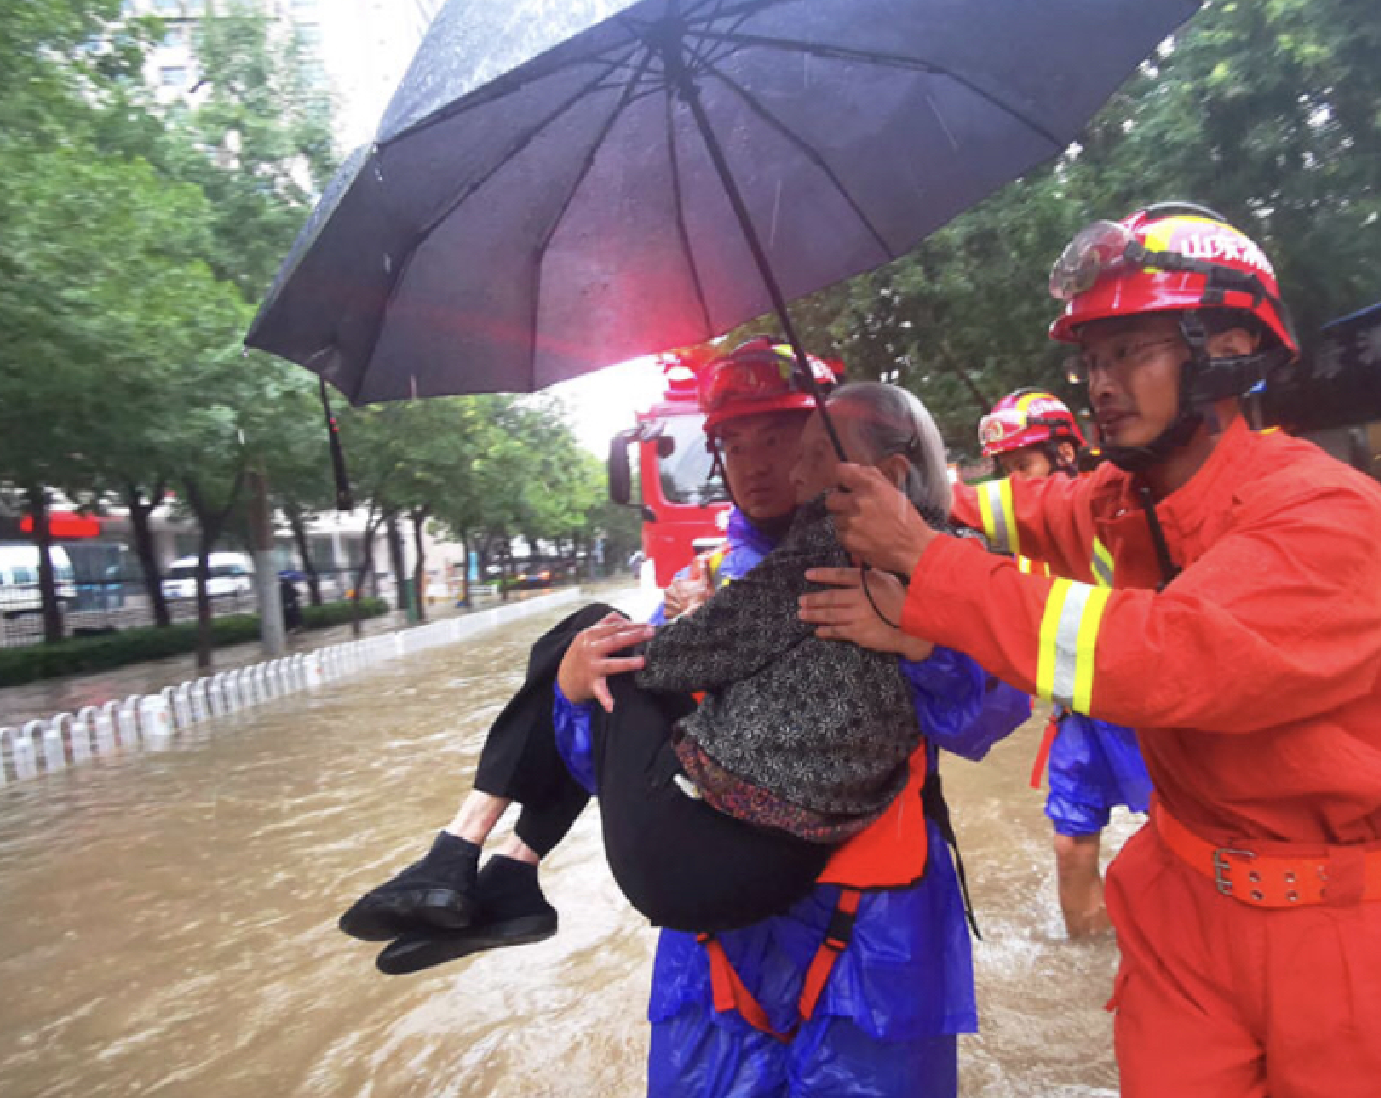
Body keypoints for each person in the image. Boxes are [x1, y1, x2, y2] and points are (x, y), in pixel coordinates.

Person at [807, 204, 1381, 1097]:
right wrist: (882, 471)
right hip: (1183, 903)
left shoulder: (1329, 509)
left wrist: (926, 566)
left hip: (1347, 927)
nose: (1102, 381)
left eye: (1131, 350)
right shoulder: (1124, 499)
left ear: (1230, 344)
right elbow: (1004, 511)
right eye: (1093, 358)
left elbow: (1167, 656)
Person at [347, 343, 1024, 1096]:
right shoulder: (691, 588)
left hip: (876, 944)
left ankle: (487, 865)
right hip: (715, 955)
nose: (759, 463)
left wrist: (922, 633)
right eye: (733, 442)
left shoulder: (932, 563)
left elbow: (987, 714)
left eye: (781, 438)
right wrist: (573, 689)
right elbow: (605, 769)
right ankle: (499, 872)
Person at [975, 389, 1153, 938]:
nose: (1012, 483)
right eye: (1004, 469)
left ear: (1065, 455)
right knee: (1071, 837)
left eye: (1022, 465)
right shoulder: (1024, 533)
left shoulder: (1107, 510)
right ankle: (1088, 952)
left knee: (1178, 830)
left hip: (1143, 708)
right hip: (1077, 711)